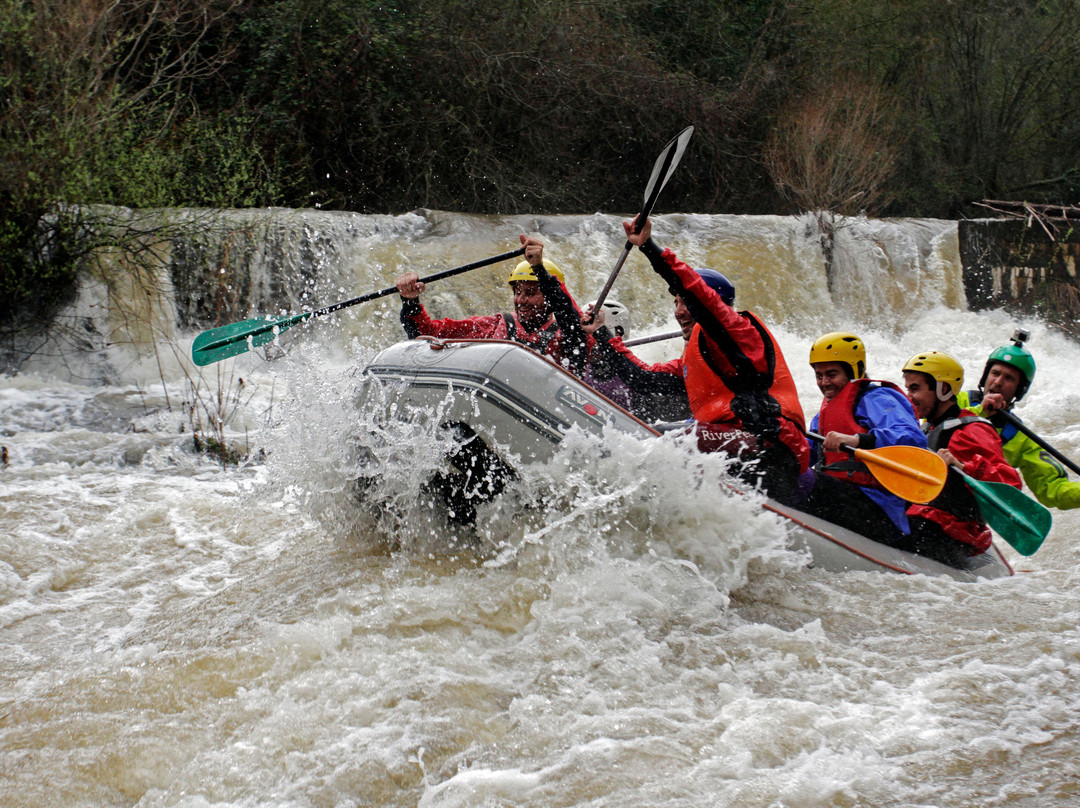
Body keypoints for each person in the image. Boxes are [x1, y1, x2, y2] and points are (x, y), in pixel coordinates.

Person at [622, 216, 808, 502]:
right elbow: (641, 376)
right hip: (736, 442)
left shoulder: (740, 333)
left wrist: (649, 247)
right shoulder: (694, 357)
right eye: (676, 303)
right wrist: (599, 336)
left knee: (664, 441)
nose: (679, 312)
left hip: (770, 445)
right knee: (653, 435)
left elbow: (699, 295)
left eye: (684, 302)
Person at [394, 235, 593, 377]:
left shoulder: (568, 334)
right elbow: (426, 333)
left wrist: (539, 269)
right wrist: (410, 300)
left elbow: (570, 316)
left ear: (550, 297)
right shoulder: (495, 325)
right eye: (518, 292)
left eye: (531, 293)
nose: (521, 300)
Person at [799, 332, 927, 546]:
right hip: (845, 496)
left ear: (853, 371)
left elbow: (913, 438)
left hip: (879, 507)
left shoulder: (877, 398)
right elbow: (803, 455)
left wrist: (858, 440)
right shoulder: (824, 415)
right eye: (819, 375)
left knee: (801, 483)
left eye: (832, 374)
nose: (824, 382)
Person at [902, 351, 1022, 565]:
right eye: (908, 388)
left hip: (948, 533)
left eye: (915, 389)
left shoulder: (971, 430)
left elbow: (1010, 484)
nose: (908, 397)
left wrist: (962, 466)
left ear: (943, 389)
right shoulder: (926, 428)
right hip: (923, 519)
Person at [959, 331, 1080, 510]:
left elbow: (1052, 489)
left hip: (966, 508)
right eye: (995, 373)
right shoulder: (955, 400)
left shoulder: (1021, 437)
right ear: (985, 377)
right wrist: (980, 412)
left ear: (1019, 390)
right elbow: (935, 429)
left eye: (1009, 378)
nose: (998, 382)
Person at [581, 295, 692, 422]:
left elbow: (641, 377)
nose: (589, 342)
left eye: (593, 336)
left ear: (618, 335)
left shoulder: (637, 384)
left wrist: (600, 332)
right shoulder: (579, 363)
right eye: (586, 336)